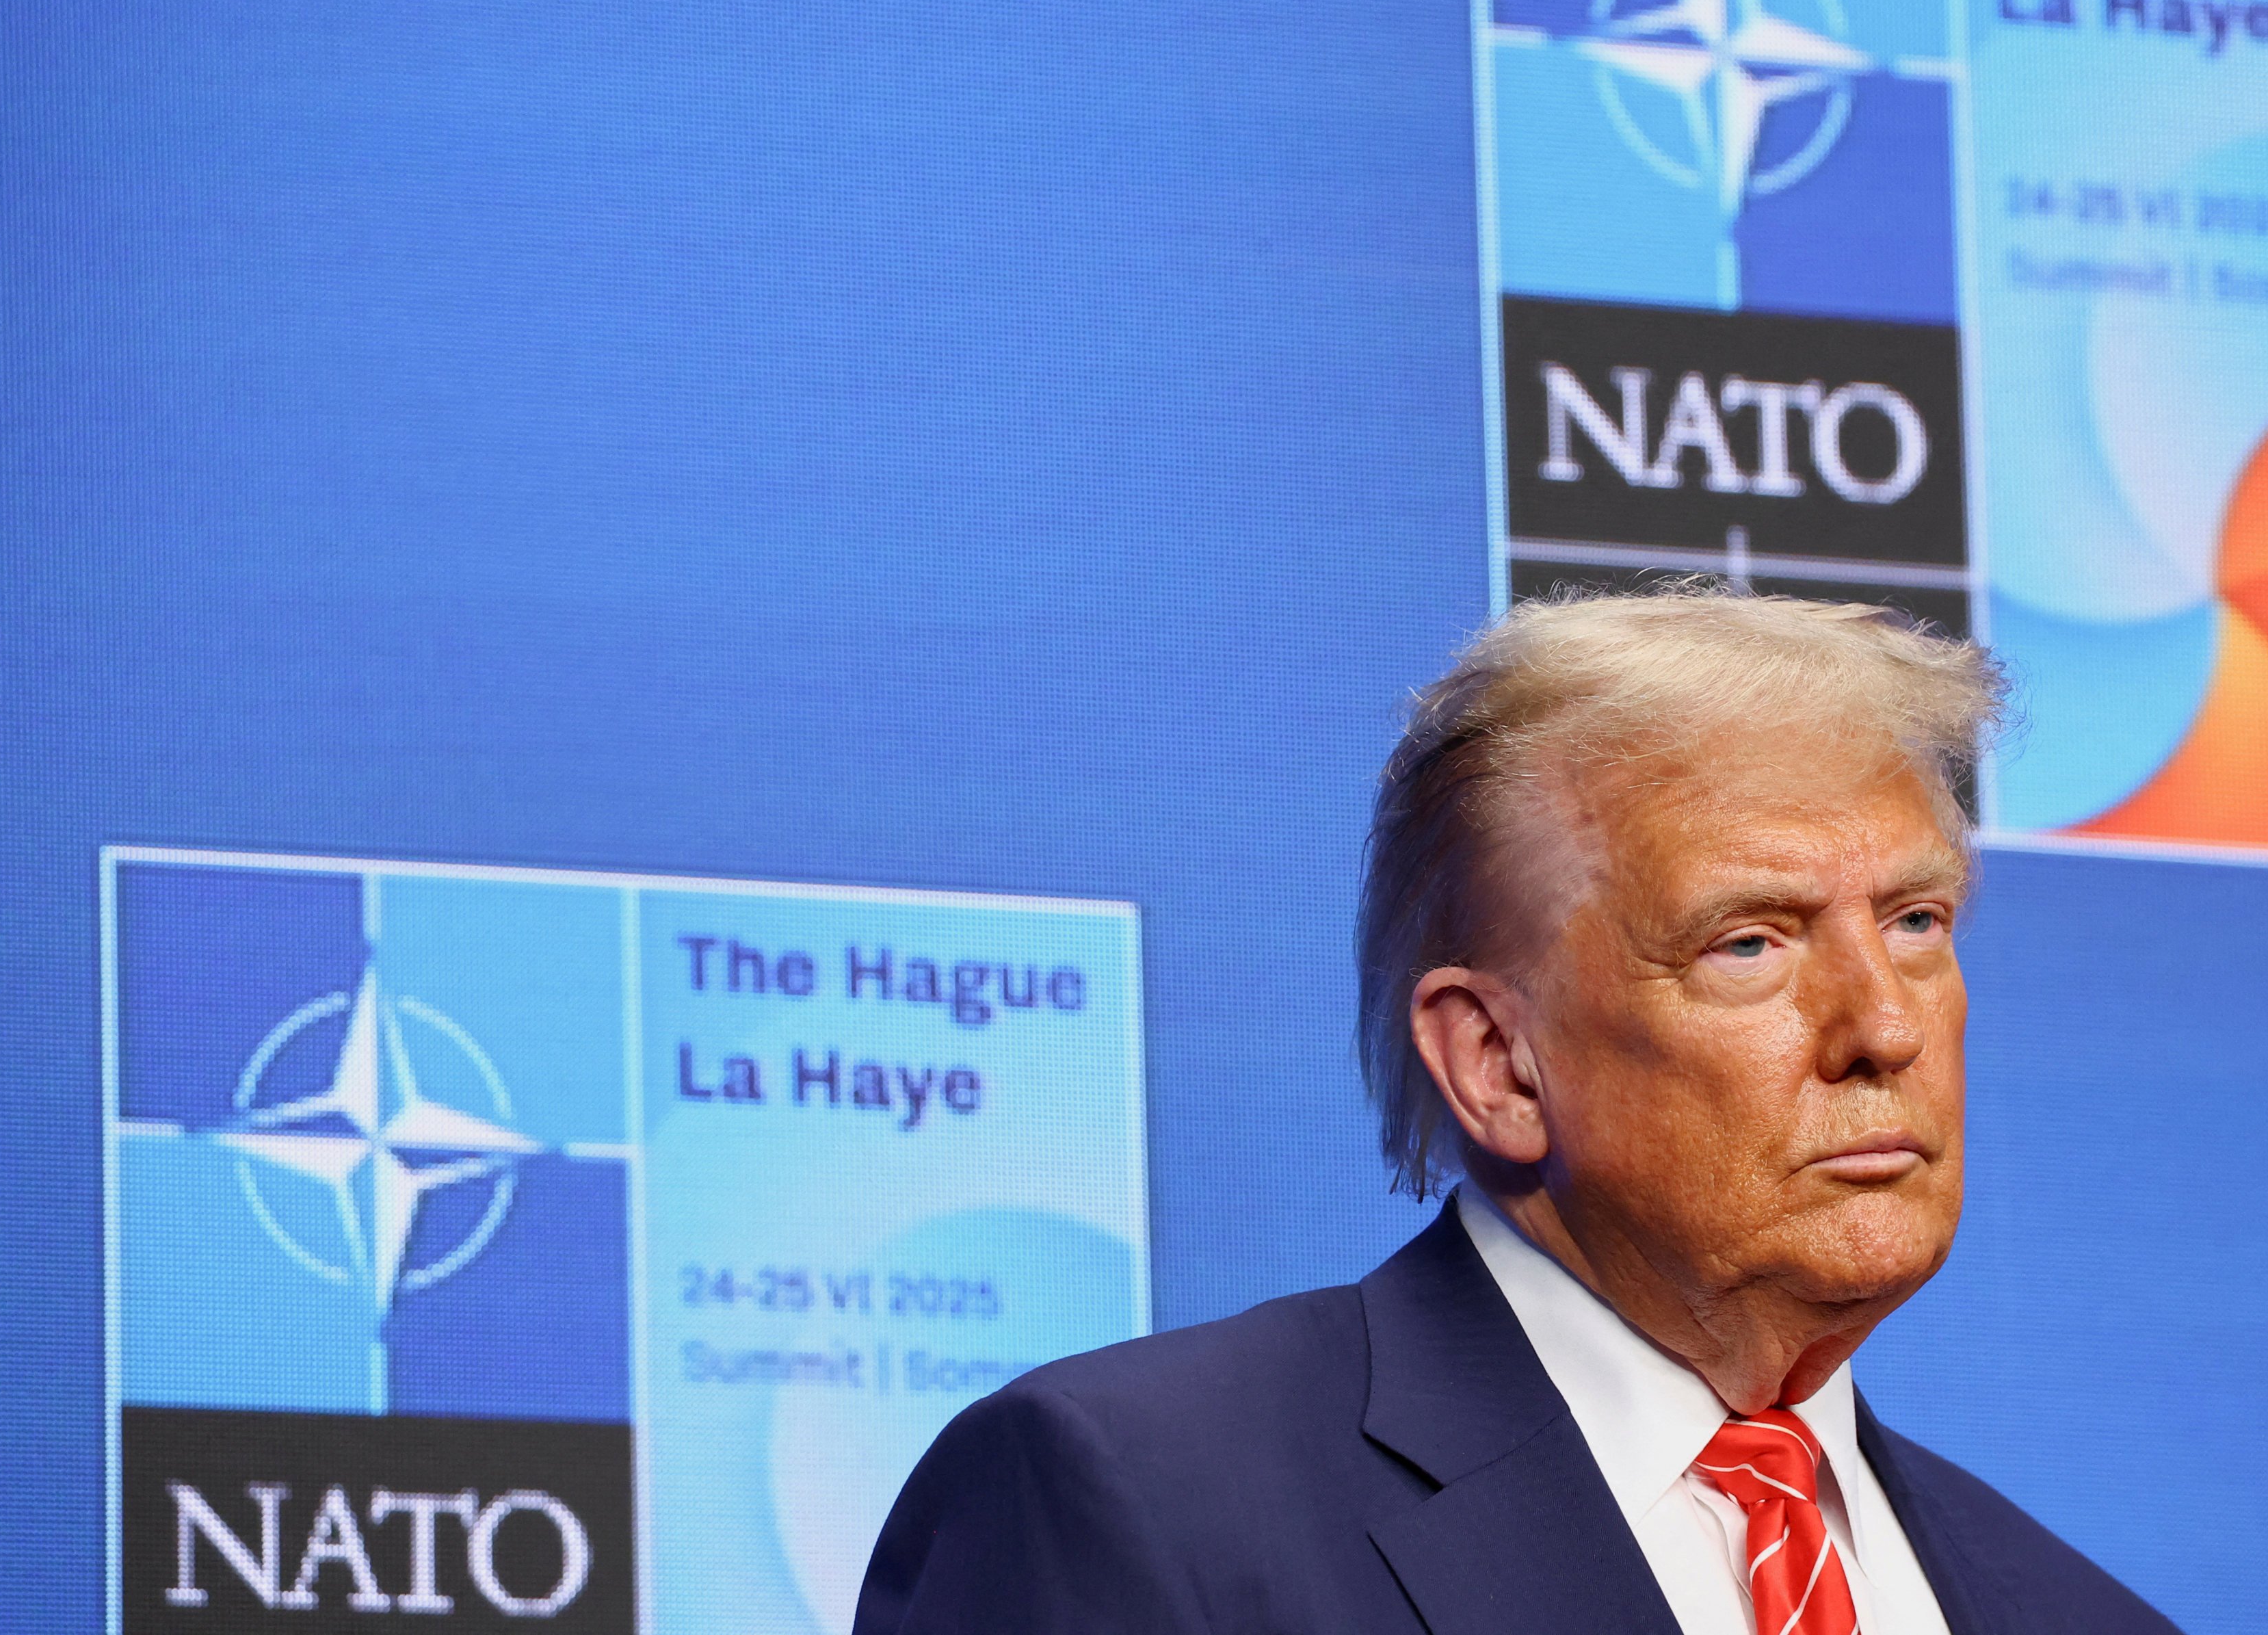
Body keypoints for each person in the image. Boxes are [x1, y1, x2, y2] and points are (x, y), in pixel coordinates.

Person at [854, 590, 2180, 1634]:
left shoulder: (2078, 1614)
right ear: (1495, 1060)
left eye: (1915, 923)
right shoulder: (1142, 1508)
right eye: (1749, 943)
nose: (1883, 1026)